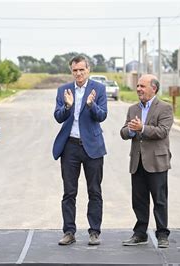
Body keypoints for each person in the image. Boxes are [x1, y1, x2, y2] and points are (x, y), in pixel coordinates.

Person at [52, 55, 108, 246]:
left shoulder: (98, 89)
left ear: (88, 70)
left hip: (92, 146)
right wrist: (67, 105)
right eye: (75, 70)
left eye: (82, 70)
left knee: (94, 191)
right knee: (69, 192)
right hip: (70, 147)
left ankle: (94, 232)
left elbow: (102, 116)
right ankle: (69, 232)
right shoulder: (63, 90)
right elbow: (58, 117)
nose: (78, 73)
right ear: (71, 71)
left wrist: (91, 105)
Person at [119, 74, 173, 248]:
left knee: (160, 200)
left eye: (142, 86)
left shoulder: (164, 108)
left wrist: (142, 128)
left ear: (154, 88)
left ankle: (162, 234)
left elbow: (162, 131)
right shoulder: (133, 109)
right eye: (138, 86)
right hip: (137, 161)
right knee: (139, 200)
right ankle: (140, 234)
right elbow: (123, 132)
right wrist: (132, 131)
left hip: (156, 161)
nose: (139, 89)